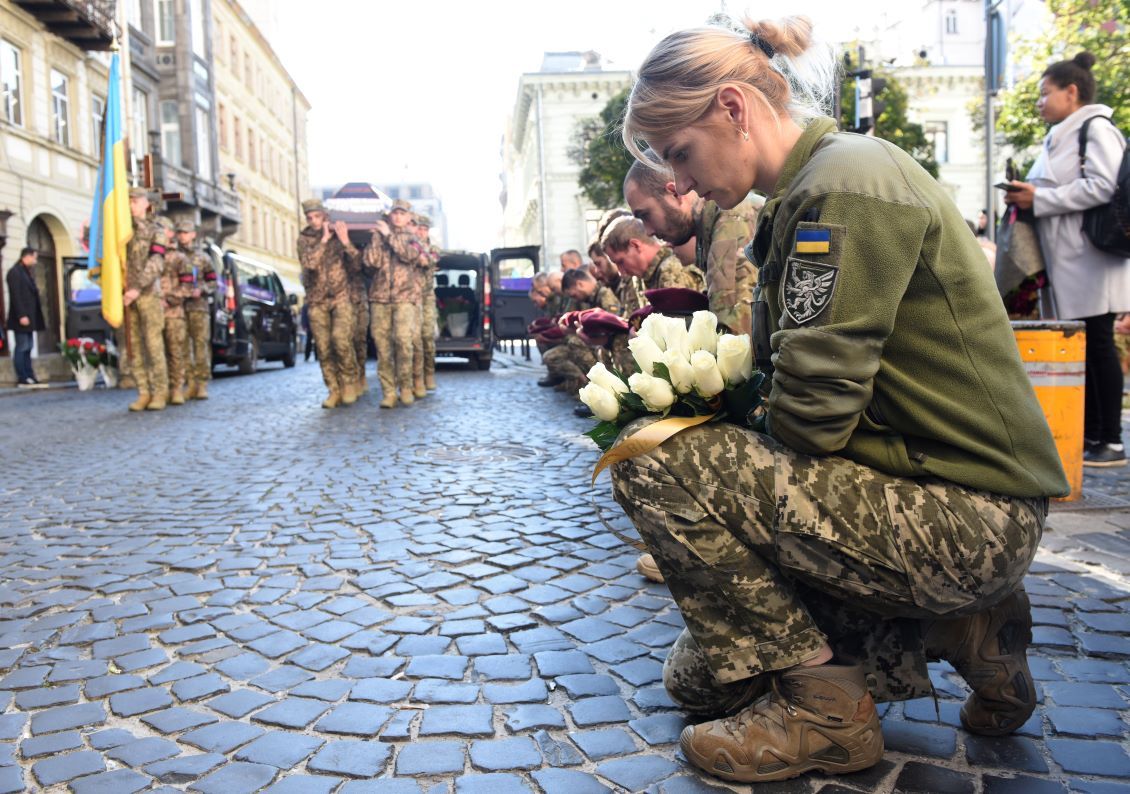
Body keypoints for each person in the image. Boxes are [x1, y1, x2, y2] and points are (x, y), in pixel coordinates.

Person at [615, 15, 1068, 784]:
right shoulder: (816, 187)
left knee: (654, 462)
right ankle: (967, 629)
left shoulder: (841, 187)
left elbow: (814, 419)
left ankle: (828, 712)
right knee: (698, 678)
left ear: (733, 107)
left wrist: (719, 435)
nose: (681, 183)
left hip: (965, 516)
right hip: (940, 491)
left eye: (680, 154)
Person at [1004, 52, 1130, 468]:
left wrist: (1039, 197)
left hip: (1091, 256)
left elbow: (1102, 185)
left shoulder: (1094, 129)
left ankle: (1108, 439)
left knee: (1097, 343)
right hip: (1070, 258)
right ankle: (1092, 433)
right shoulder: (1061, 133)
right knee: (1085, 346)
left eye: (1045, 93)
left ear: (1071, 92)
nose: (1040, 102)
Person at [624, 152, 758, 334]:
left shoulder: (730, 218)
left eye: (646, 215)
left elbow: (736, 331)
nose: (648, 231)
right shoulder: (711, 225)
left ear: (674, 193)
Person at [297, 198, 361, 409]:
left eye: (317, 216)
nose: (314, 221)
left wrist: (345, 241)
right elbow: (309, 264)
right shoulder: (305, 239)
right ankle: (333, 389)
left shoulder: (339, 234)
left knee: (340, 340)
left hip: (341, 297)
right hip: (316, 300)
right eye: (310, 217)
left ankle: (349, 382)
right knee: (323, 348)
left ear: (325, 215)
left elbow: (357, 265)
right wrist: (323, 240)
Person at [364, 199, 427, 408]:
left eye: (402, 213)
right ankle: (389, 392)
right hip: (379, 298)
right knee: (383, 348)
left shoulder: (413, 238)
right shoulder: (379, 237)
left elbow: (409, 255)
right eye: (395, 213)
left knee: (403, 343)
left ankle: (406, 387)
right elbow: (370, 263)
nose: (398, 216)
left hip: (405, 298)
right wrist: (376, 239)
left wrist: (389, 236)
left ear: (409, 217)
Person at [600, 216, 701, 315]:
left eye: (621, 262)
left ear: (635, 245)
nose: (621, 272)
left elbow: (677, 326)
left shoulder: (671, 268)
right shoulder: (639, 278)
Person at [124, 188, 168, 411]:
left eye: (134, 201)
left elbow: (157, 262)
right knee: (134, 347)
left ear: (144, 203)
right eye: (128, 201)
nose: (130, 205)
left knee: (153, 345)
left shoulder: (155, 230)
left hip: (147, 293)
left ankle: (160, 391)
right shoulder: (120, 230)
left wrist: (137, 288)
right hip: (126, 297)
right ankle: (143, 391)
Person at [176, 221, 216, 400]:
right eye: (180, 233)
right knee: (183, 347)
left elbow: (214, 281)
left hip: (199, 306)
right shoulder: (175, 256)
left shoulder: (203, 258)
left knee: (200, 346)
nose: (182, 236)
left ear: (193, 234)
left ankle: (202, 384)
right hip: (179, 307)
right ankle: (190, 383)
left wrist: (204, 289)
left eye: (185, 232)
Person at [157, 216, 191, 406]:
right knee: (157, 352)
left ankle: (177, 388)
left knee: (175, 352)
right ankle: (161, 389)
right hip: (154, 311)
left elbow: (187, 285)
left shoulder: (180, 258)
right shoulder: (153, 254)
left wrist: (169, 299)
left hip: (174, 312)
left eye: (162, 229)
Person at [5, 247, 47, 388]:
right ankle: (22, 377)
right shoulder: (15, 272)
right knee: (22, 346)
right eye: (34, 258)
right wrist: (22, 315)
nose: (35, 261)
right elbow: (16, 296)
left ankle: (30, 375)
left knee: (29, 346)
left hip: (30, 316)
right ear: (26, 257)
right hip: (21, 317)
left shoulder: (26, 272)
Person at [413, 214, 441, 392]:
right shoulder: (409, 245)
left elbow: (430, 259)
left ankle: (429, 373)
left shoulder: (433, 248)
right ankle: (416, 378)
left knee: (427, 338)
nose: (421, 232)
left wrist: (420, 252)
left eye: (424, 229)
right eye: (419, 229)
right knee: (413, 340)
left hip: (427, 296)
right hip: (411, 297)